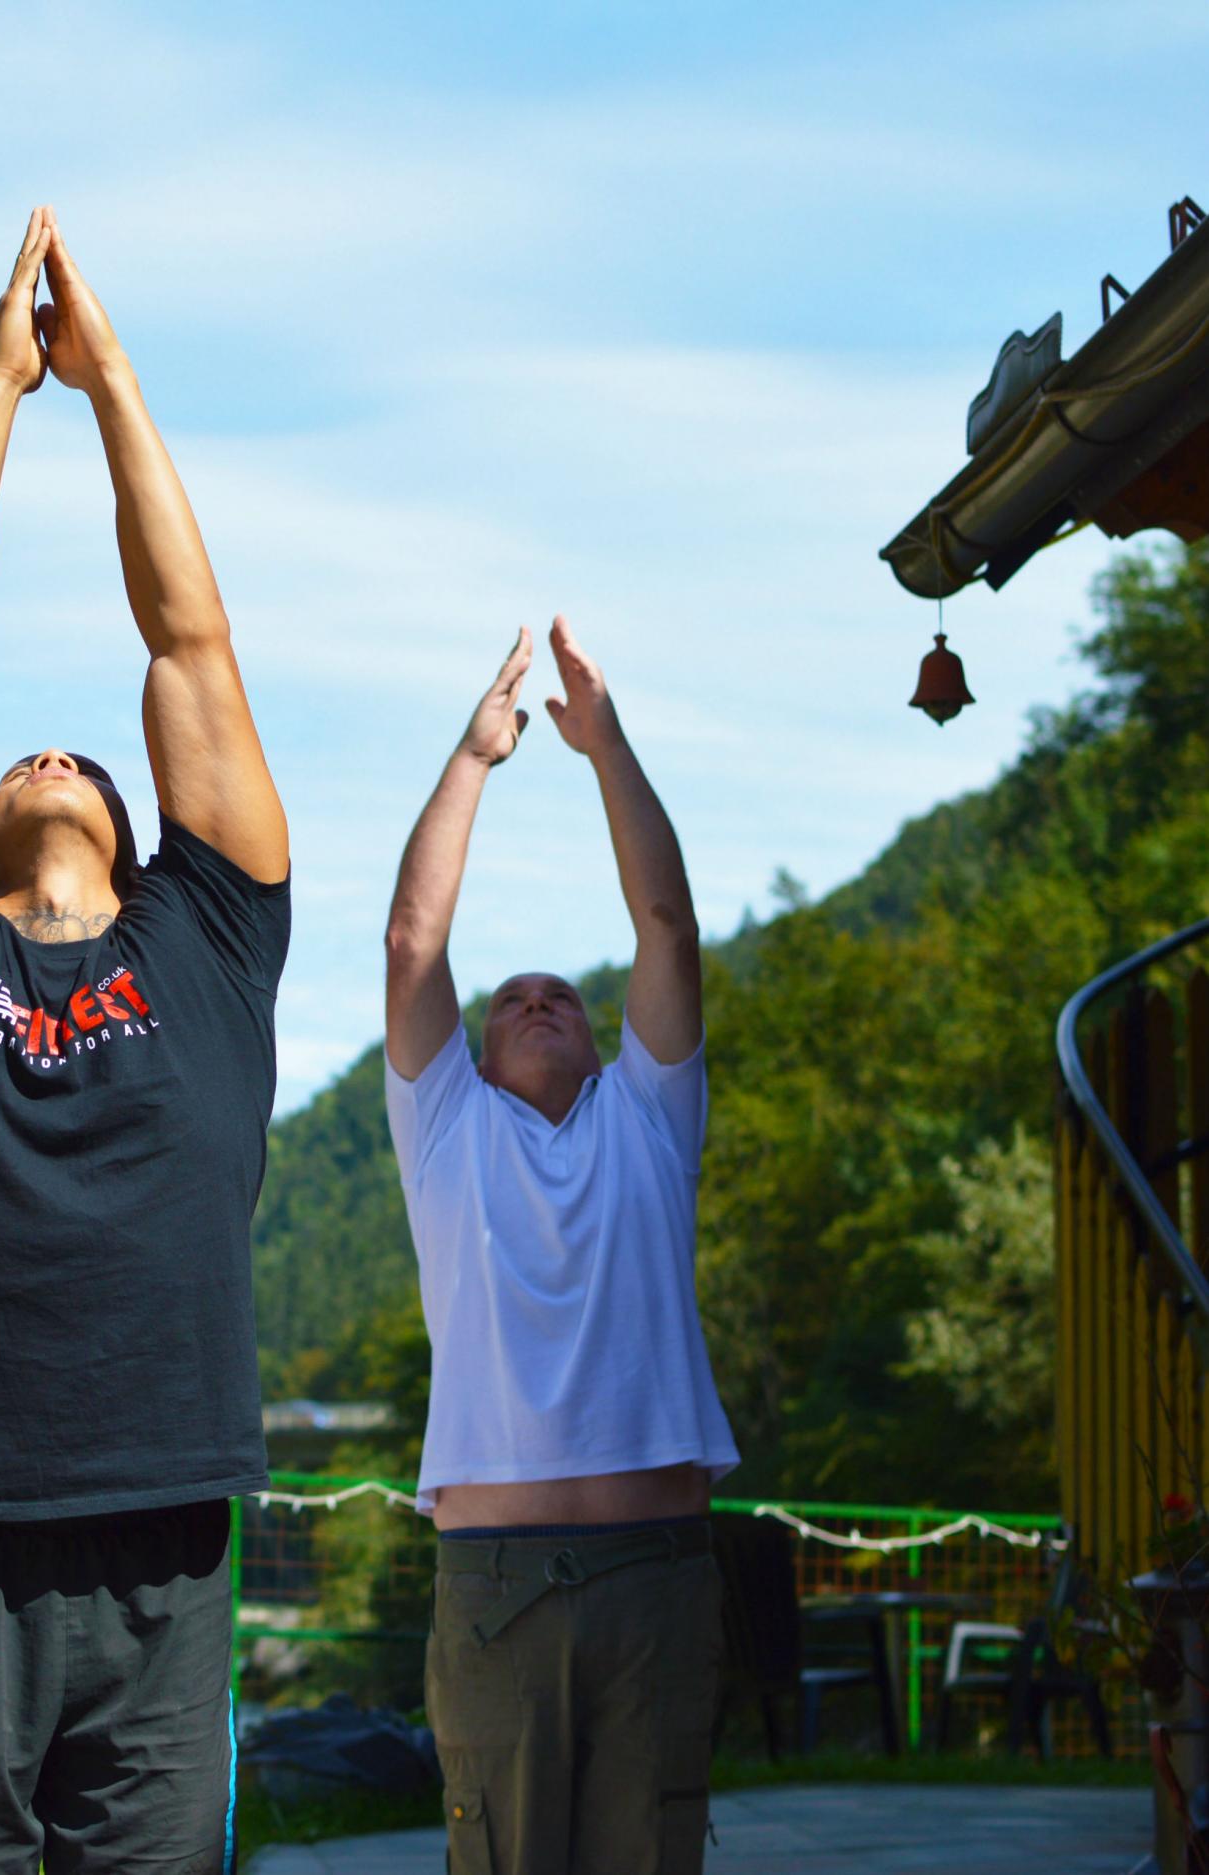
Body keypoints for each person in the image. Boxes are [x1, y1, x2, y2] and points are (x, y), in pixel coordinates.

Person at [0, 207, 290, 1875]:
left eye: (77, 758)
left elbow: (192, 648)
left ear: (130, 816)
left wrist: (113, 388)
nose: (42, 753)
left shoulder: (214, 941)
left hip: (165, 1550)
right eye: (20, 761)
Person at [382, 619, 740, 1873]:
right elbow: (412, 945)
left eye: (563, 998)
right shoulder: (446, 1133)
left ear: (601, 1044)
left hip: (657, 1570)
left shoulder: (648, 1118)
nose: (538, 1001)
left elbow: (668, 925)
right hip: (496, 1584)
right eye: (511, 1000)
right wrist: (473, 759)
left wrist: (604, 745)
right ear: (473, 1058)